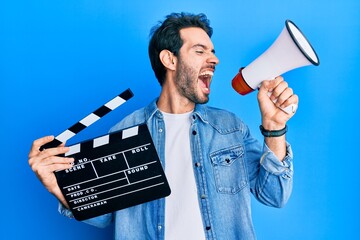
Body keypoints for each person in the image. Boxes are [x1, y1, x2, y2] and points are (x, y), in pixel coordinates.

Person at [28, 12, 298, 240]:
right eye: (200, 51)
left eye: (213, 52)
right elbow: (103, 218)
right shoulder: (125, 132)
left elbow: (274, 195)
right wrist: (58, 187)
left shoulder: (230, 127)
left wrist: (275, 128)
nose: (214, 60)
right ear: (169, 60)